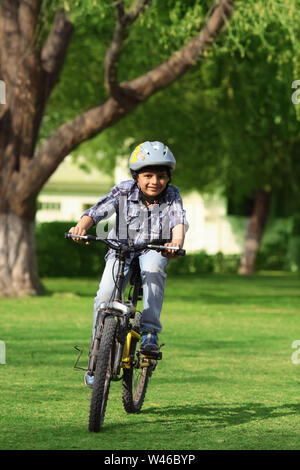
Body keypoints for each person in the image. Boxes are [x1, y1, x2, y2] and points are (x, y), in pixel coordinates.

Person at [68, 141, 189, 387]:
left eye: (161, 176)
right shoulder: (123, 191)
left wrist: (176, 242)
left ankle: (150, 332)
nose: (155, 181)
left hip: (154, 248)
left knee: (153, 269)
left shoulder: (172, 196)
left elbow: (178, 221)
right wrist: (82, 226)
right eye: (148, 176)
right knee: (104, 295)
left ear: (168, 178)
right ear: (136, 176)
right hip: (120, 249)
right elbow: (98, 210)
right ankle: (97, 353)